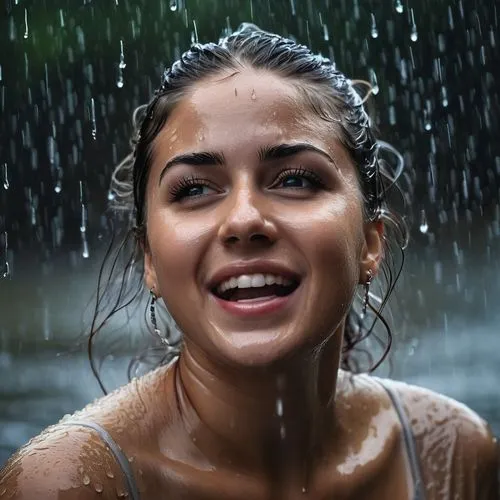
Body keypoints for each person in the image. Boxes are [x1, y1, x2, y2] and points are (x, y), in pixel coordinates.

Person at [0, 24, 497, 500]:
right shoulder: (64, 483)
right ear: (149, 258)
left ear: (370, 241)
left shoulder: (449, 456)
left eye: (296, 179)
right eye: (194, 189)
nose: (243, 219)